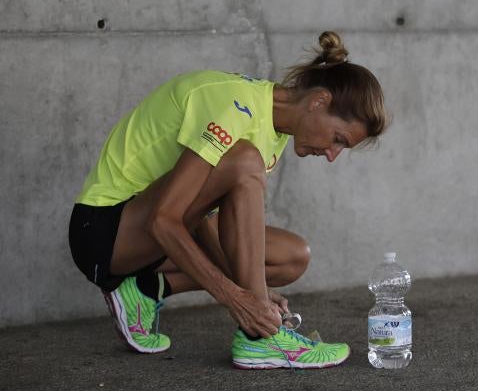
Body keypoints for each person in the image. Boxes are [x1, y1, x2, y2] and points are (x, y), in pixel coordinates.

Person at [68, 31, 387, 369]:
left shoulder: (274, 134)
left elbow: (203, 217)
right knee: (246, 160)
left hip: (150, 238)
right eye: (338, 139)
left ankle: (146, 288)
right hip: (103, 233)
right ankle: (259, 339)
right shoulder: (235, 107)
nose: (332, 155)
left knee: (292, 257)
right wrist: (238, 299)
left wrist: (253, 293)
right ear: (318, 101)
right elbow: (163, 221)